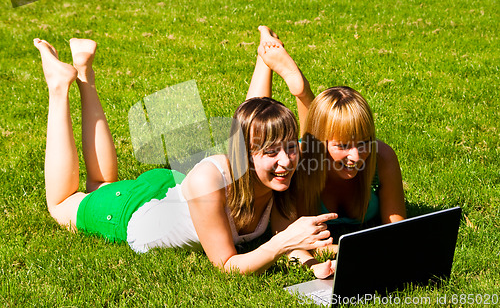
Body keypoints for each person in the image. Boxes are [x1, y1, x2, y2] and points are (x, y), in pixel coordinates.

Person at [34, 37, 338, 275]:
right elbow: (227, 265)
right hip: (130, 212)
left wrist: (316, 264)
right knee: (64, 201)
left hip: (172, 188)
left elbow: (290, 239)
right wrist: (282, 243)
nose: (285, 161)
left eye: (290, 147)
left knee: (102, 182)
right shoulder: (212, 179)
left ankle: (85, 73)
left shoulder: (278, 178)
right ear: (244, 153)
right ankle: (59, 86)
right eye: (271, 152)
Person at [250, 26, 407, 278]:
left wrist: (338, 249)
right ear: (324, 145)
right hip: (309, 152)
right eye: (343, 145)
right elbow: (290, 240)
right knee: (254, 135)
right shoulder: (294, 167)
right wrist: (357, 250)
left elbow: (398, 234)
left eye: (364, 142)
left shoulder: (381, 157)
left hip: (314, 147)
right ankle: (272, 67)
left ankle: (290, 79)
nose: (357, 156)